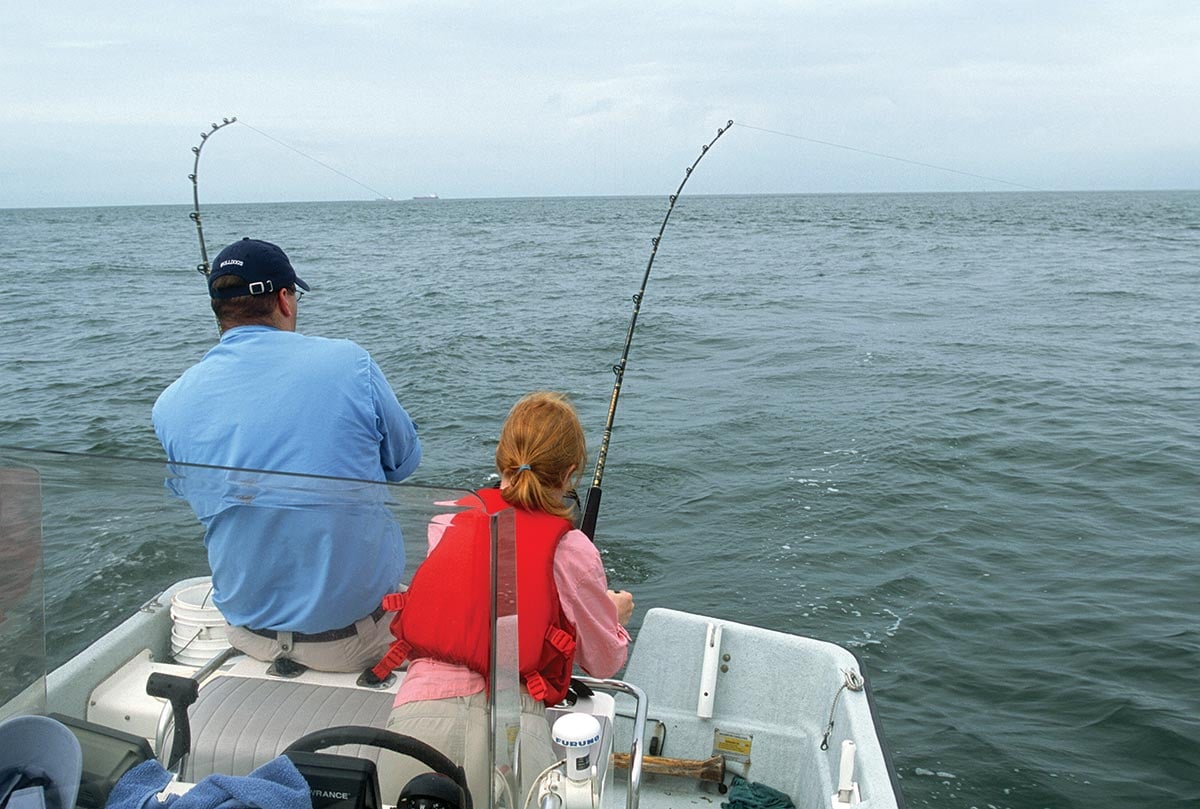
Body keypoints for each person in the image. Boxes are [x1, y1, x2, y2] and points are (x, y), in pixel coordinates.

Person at [152, 237, 421, 672]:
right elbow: (405, 463)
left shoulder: (169, 404)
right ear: (284, 298)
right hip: (354, 641)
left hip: (246, 635)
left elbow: (201, 495)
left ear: (219, 309)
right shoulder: (350, 363)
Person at [372, 391, 633, 803]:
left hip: (413, 724)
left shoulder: (447, 522)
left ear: (501, 460)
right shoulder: (573, 549)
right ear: (568, 474)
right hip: (512, 737)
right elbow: (603, 660)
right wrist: (613, 615)